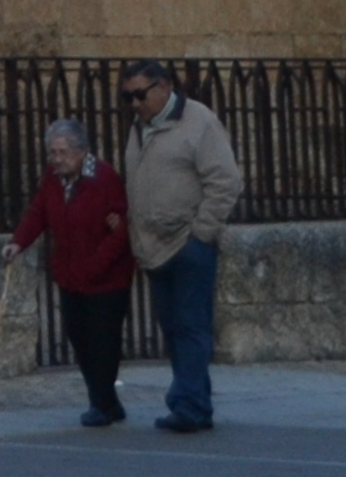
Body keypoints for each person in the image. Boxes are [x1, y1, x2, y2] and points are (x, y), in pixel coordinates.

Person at [117, 58, 243, 435]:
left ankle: (190, 405)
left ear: (163, 87)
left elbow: (226, 181)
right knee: (173, 328)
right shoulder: (141, 127)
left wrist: (201, 233)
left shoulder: (199, 121)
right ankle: (195, 400)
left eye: (140, 95)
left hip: (188, 244)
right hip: (154, 246)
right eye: (128, 97)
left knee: (190, 326)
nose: (134, 103)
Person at [8, 117, 137, 425]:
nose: (56, 159)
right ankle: (108, 401)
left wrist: (95, 265)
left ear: (81, 151)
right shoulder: (53, 179)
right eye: (52, 152)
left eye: (62, 152)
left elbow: (121, 228)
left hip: (106, 278)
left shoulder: (104, 178)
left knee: (103, 341)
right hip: (69, 274)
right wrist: (18, 242)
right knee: (79, 337)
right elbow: (39, 211)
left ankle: (101, 404)